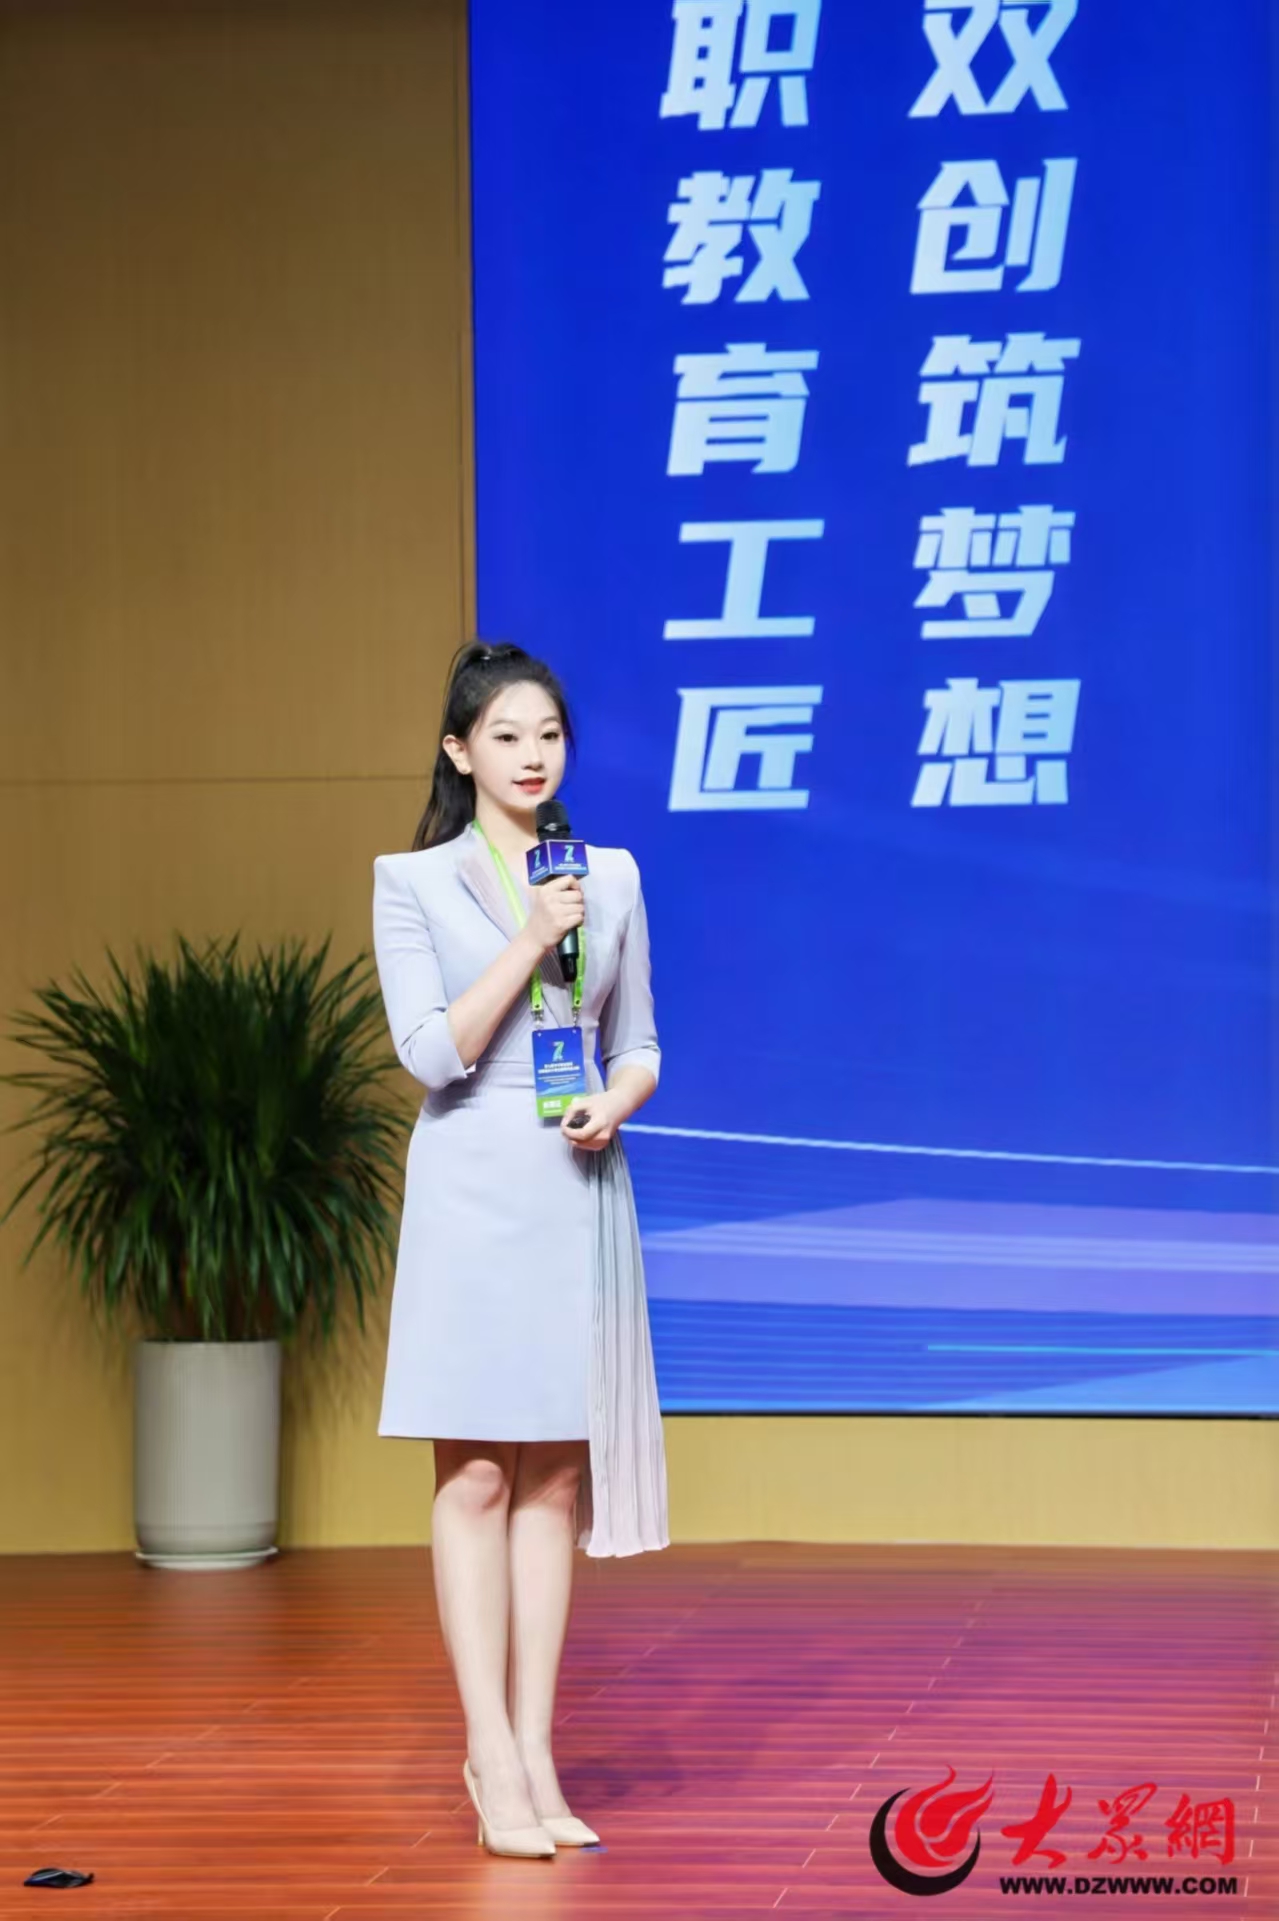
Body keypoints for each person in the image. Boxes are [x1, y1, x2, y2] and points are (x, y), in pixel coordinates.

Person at [371, 640, 669, 1861]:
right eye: (505, 735)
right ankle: (487, 1748)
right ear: (460, 751)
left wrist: (617, 1098)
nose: (532, 754)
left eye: (547, 733)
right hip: (469, 1186)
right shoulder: (412, 880)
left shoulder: (614, 874)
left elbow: (638, 1042)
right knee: (478, 1475)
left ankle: (538, 1750)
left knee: (553, 1479)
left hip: (574, 1179)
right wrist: (528, 934)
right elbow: (431, 1053)